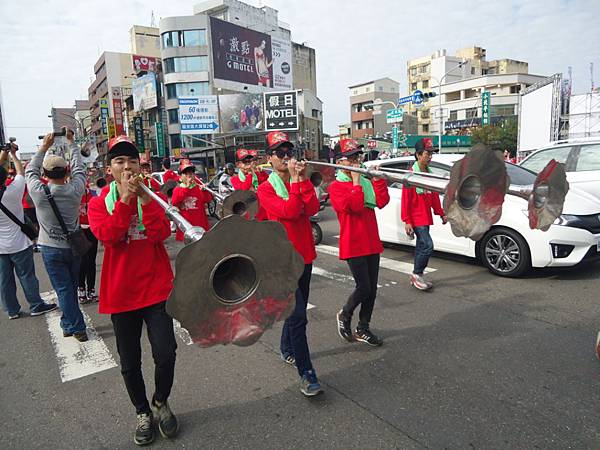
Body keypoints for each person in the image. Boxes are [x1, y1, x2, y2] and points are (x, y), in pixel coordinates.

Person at [87, 135, 178, 446]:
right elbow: (109, 237)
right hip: (121, 293)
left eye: (131, 160)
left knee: (166, 353)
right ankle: (142, 412)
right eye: (119, 161)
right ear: (109, 168)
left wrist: (144, 199)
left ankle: (160, 401)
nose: (126, 167)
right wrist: (126, 200)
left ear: (141, 166)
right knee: (129, 362)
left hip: (156, 289)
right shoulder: (99, 202)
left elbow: (161, 234)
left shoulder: (151, 197)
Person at [257, 131, 323, 397]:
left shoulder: (299, 180)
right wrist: (297, 182)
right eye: (280, 153)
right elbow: (289, 211)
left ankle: (287, 348)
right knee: (298, 317)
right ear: (269, 158)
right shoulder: (265, 188)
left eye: (288, 152)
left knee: (296, 312)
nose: (286, 157)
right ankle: (307, 374)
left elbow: (312, 209)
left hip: (305, 255)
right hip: (282, 261)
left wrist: (302, 181)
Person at [25, 130, 88, 341]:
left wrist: (44, 146)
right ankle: (67, 323)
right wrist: (71, 143)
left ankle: (77, 326)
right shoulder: (75, 189)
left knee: (63, 289)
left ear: (45, 173)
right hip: (74, 246)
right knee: (69, 287)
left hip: (50, 248)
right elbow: (80, 168)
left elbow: (29, 171)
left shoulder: (38, 192)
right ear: (66, 170)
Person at [328, 139, 390, 346]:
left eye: (358, 156)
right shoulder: (336, 187)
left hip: (371, 240)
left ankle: (364, 327)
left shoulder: (366, 181)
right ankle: (345, 315)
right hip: (353, 243)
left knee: (372, 289)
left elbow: (382, 202)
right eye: (351, 157)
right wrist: (356, 181)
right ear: (339, 162)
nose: (356, 161)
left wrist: (379, 180)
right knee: (363, 287)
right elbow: (354, 206)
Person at [0, 143, 57, 319]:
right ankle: (35, 305)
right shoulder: (13, 192)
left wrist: (3, 153)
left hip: (0, 248)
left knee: (4, 281)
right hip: (19, 243)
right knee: (27, 277)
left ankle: (12, 310)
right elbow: (20, 173)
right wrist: (13, 155)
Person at [401, 138, 448, 291]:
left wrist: (441, 213)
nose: (430, 156)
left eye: (431, 154)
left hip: (425, 216)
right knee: (428, 245)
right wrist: (407, 220)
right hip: (416, 218)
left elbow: (433, 197)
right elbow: (405, 201)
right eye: (428, 153)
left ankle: (417, 275)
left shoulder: (429, 174)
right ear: (418, 155)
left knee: (422, 246)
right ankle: (416, 273)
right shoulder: (411, 176)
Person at [170, 159, 213, 241]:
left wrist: (205, 191)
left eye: (191, 172)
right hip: (186, 229)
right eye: (185, 173)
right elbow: (175, 202)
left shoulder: (198, 188)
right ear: (180, 177)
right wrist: (186, 187)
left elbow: (208, 200)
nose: (189, 175)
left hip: (201, 227)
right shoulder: (178, 189)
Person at [231, 149, 268, 220]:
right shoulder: (234, 179)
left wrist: (261, 172)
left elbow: (267, 183)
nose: (249, 164)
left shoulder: (256, 174)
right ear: (238, 164)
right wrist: (250, 174)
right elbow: (243, 190)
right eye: (245, 161)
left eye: (250, 161)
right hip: (248, 213)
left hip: (262, 212)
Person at [77, 182, 98, 304]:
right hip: (79, 231)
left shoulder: (94, 194)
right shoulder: (72, 195)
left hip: (92, 230)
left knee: (91, 261)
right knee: (82, 262)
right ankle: (81, 288)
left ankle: (91, 288)